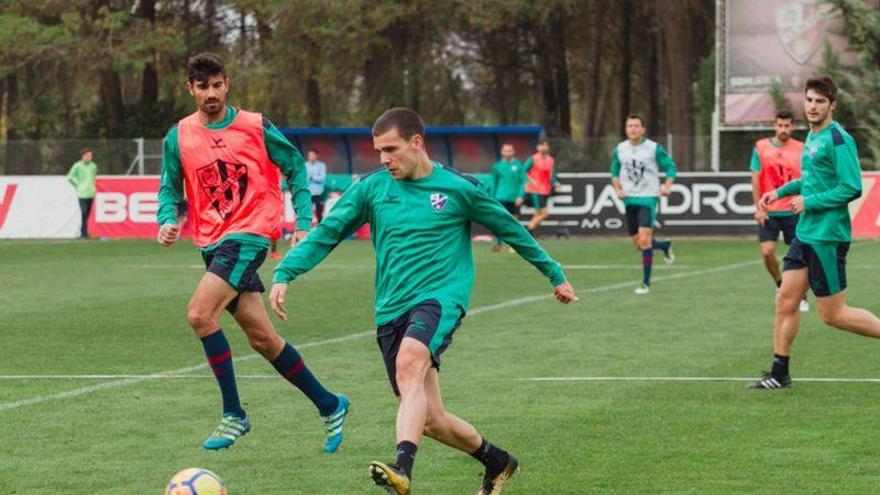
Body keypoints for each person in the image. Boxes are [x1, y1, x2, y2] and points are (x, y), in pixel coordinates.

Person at [270, 107, 578, 495]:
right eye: (378, 150)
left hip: (440, 298)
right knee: (430, 420)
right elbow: (328, 231)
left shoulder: (458, 190)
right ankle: (497, 461)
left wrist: (555, 274)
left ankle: (403, 471)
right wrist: (286, 272)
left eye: (391, 149)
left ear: (417, 142)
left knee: (410, 360)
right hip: (390, 309)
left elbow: (510, 229)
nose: (383, 159)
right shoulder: (372, 189)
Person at [155, 52, 350, 451]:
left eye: (217, 85)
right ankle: (330, 404)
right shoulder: (178, 136)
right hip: (210, 241)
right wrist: (165, 217)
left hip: (250, 234)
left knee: (199, 313)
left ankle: (234, 415)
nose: (212, 93)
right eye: (203, 87)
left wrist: (304, 222)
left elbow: (295, 166)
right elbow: (168, 186)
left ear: (226, 83)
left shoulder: (255, 125)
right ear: (190, 89)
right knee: (263, 339)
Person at [749, 76, 880, 389]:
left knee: (832, 315)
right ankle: (779, 373)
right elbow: (809, 180)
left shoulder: (838, 139)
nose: (812, 106)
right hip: (806, 235)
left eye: (820, 101)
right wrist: (778, 192)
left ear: (831, 105)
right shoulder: (811, 136)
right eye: (809, 100)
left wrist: (810, 202)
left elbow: (850, 187)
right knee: (785, 300)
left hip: (827, 237)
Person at [610, 114, 677, 295]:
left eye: (636, 125)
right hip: (629, 199)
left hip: (648, 198)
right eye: (630, 125)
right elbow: (614, 171)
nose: (633, 129)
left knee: (645, 240)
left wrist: (667, 185)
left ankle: (645, 284)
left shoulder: (653, 148)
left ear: (643, 129)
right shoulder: (620, 149)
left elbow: (670, 167)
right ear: (626, 129)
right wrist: (618, 189)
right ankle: (664, 246)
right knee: (638, 244)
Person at [750, 110, 809, 312]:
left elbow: (806, 178)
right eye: (780, 125)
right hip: (769, 211)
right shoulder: (761, 147)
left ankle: (802, 295)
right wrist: (758, 207)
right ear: (774, 125)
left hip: (793, 209)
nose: (783, 129)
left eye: (787, 125)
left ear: (792, 127)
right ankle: (780, 284)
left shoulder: (801, 148)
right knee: (767, 252)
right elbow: (756, 178)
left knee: (799, 257)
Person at [489, 143, 526, 252]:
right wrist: (491, 198)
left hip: (515, 198)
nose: (507, 153)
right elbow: (493, 183)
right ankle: (499, 244)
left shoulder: (519, 165)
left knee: (515, 221)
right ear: (502, 152)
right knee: (500, 221)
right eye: (506, 151)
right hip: (500, 197)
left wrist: (520, 196)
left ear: (513, 152)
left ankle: (513, 244)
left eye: (510, 150)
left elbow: (522, 182)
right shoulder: (497, 166)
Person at [523, 139, 558, 234]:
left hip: (545, 191)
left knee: (538, 213)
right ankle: (527, 232)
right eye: (542, 145)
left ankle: (529, 232)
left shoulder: (550, 160)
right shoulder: (533, 159)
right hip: (535, 191)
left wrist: (555, 182)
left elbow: (552, 174)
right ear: (538, 147)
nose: (544, 147)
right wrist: (531, 180)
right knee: (545, 213)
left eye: (546, 145)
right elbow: (522, 171)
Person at [66, 148, 98, 238]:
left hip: (91, 193)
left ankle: (85, 232)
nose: (89, 157)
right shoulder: (77, 165)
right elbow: (69, 177)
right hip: (82, 193)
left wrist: (93, 187)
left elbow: (93, 177)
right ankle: (83, 233)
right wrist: (77, 185)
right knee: (84, 212)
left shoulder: (93, 166)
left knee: (87, 213)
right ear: (83, 156)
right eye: (87, 155)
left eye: (91, 156)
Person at [306, 149, 328, 224]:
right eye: (309, 155)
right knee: (307, 211)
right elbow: (304, 178)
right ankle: (306, 228)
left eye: (313, 155)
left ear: (316, 156)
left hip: (319, 192)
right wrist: (315, 177)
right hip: (308, 192)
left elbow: (322, 178)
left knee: (319, 212)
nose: (311, 157)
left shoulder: (321, 165)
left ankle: (320, 229)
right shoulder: (304, 165)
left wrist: (311, 177)